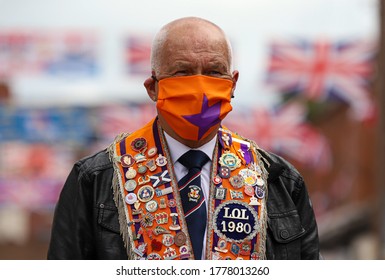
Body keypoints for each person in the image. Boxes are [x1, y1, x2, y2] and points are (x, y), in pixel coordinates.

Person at [48, 17, 320, 260]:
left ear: (232, 84)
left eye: (214, 72)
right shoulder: (96, 181)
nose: (200, 88)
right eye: (183, 72)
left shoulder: (280, 182)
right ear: (153, 88)